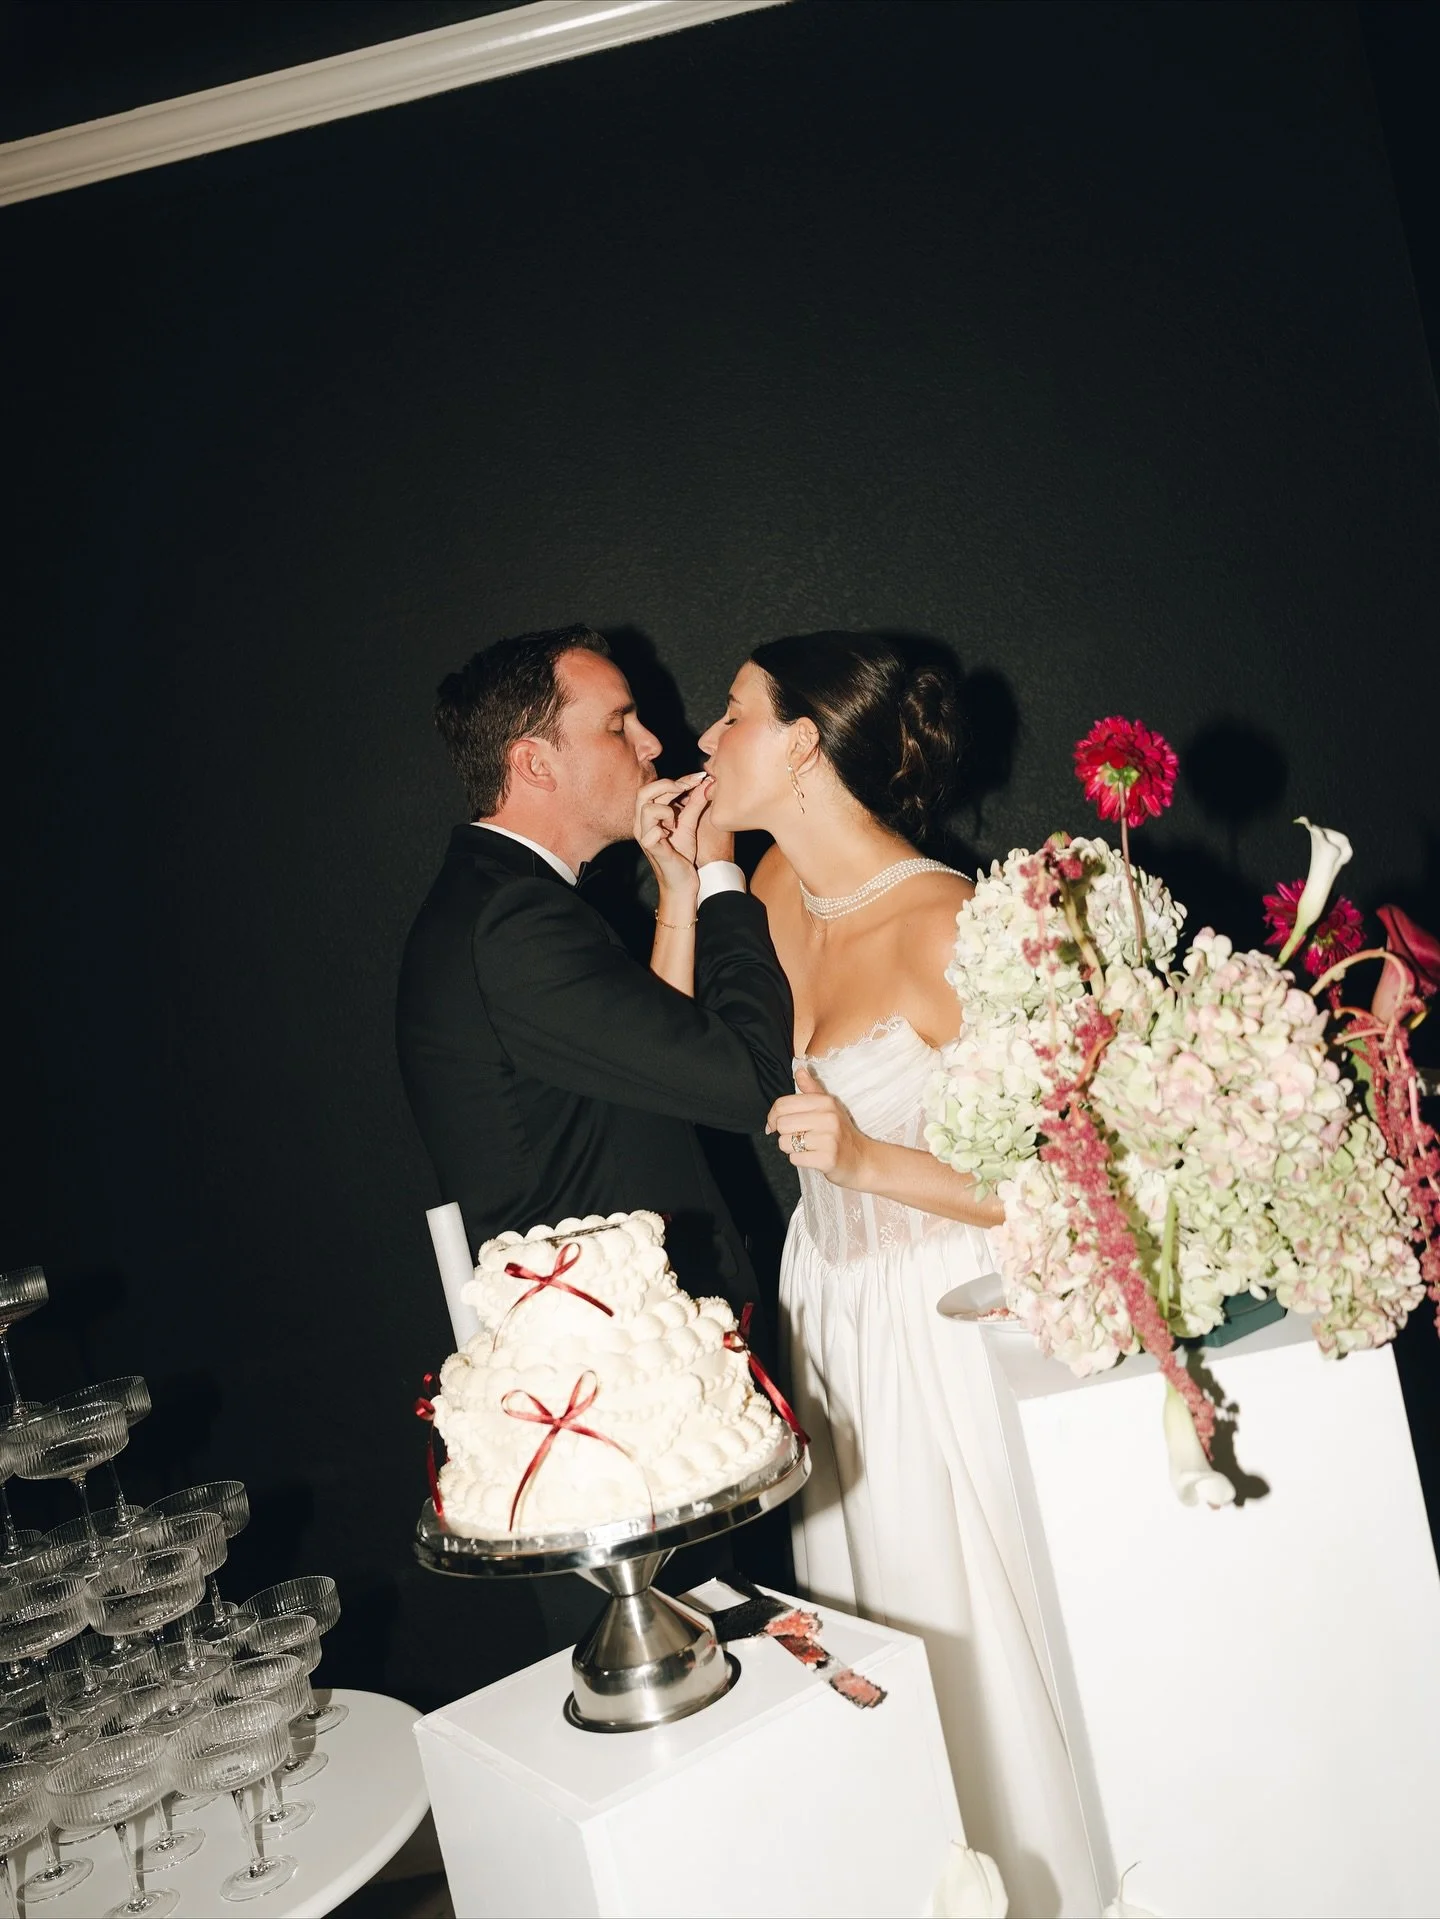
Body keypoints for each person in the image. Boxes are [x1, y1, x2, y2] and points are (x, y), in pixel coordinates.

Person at [694, 633, 1098, 1919]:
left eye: (734, 714)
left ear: (805, 741)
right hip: (834, 1310)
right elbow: (681, 1048)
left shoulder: (950, 923)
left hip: (945, 1309)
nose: (707, 738)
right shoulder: (763, 887)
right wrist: (679, 875)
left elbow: (1064, 1187)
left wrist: (867, 1154)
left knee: (974, 1623)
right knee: (875, 1632)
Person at [396, 622, 793, 1325]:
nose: (652, 744)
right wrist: (722, 874)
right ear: (535, 763)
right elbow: (747, 1080)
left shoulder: (502, 897)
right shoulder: (511, 919)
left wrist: (678, 890)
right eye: (619, 724)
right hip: (607, 1351)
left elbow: (655, 1067)